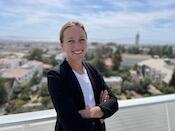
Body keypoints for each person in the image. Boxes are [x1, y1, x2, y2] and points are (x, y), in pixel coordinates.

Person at [47, 21, 118, 131]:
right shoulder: (56, 76)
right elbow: (71, 125)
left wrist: (88, 113)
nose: (77, 45)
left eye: (82, 39)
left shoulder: (92, 69)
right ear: (62, 45)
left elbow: (113, 102)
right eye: (71, 41)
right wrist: (100, 116)